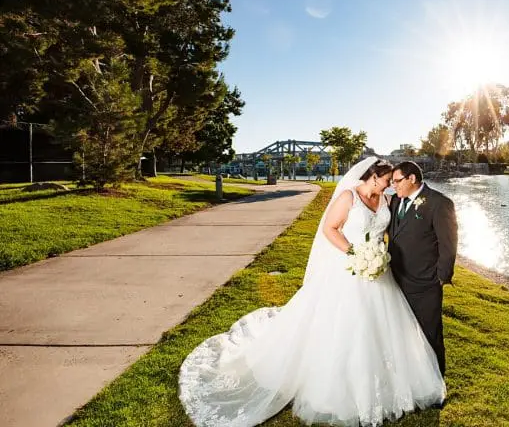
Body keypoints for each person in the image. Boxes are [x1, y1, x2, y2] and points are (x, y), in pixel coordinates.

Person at [178, 157, 445, 427]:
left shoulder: (386, 201)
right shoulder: (347, 197)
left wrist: (378, 256)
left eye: (392, 183)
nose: (389, 187)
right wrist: (354, 253)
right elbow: (330, 229)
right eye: (388, 181)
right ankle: (339, 388)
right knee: (345, 327)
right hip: (349, 269)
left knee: (385, 327)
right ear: (375, 177)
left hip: (378, 271)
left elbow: (387, 233)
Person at [387, 161, 458, 377]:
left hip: (425, 283)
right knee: (403, 333)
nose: (393, 186)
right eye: (391, 182)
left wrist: (440, 277)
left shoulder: (439, 203)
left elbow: (449, 243)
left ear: (412, 179)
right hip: (395, 280)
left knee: (430, 334)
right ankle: (412, 378)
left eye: (397, 181)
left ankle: (437, 385)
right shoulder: (394, 202)